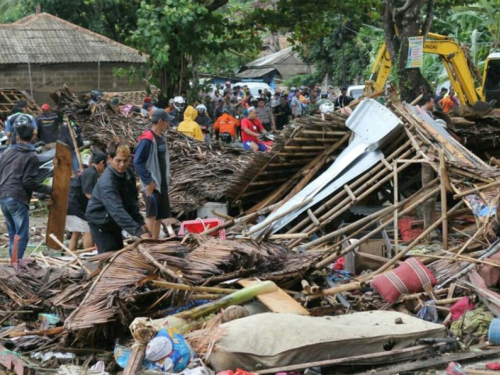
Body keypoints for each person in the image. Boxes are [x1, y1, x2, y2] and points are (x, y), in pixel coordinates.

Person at [0, 125, 53, 260]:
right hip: (17, 197)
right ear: (33, 137)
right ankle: (16, 264)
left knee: (13, 234)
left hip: (4, 197)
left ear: (17, 137)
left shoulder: (6, 152)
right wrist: (49, 190)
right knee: (22, 234)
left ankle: (13, 264)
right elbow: (28, 182)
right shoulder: (31, 156)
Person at [86, 141, 149, 253]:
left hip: (113, 220)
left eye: (125, 160)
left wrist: (140, 222)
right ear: (110, 159)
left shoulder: (128, 174)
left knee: (118, 251)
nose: (122, 165)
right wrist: (138, 231)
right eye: (118, 160)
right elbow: (117, 210)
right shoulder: (107, 182)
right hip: (101, 221)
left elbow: (132, 202)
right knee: (109, 255)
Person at [134, 110, 173, 240]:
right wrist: (148, 181)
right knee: (151, 214)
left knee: (160, 215)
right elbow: (137, 162)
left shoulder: (161, 139)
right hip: (152, 184)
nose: (168, 124)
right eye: (167, 121)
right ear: (160, 122)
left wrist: (167, 175)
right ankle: (148, 243)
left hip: (162, 183)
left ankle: (155, 242)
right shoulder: (147, 139)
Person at [66, 151, 107, 251]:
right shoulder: (91, 172)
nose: (104, 169)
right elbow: (88, 193)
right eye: (104, 166)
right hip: (75, 206)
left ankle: (71, 256)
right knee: (89, 229)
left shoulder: (87, 171)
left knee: (76, 232)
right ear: (101, 163)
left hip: (69, 205)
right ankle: (88, 256)